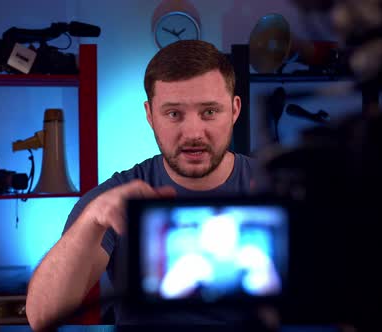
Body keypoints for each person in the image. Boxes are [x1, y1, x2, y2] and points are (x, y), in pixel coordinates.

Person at [25, 40, 263, 331]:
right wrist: (91, 220)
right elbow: (41, 318)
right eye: (174, 113)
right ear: (150, 115)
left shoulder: (278, 185)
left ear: (235, 109)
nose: (193, 133)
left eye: (209, 112)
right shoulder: (114, 200)